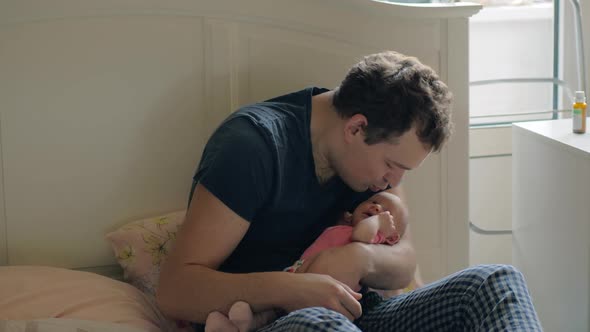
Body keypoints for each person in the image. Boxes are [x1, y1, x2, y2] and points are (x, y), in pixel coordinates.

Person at [157, 50, 542, 331]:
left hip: (364, 313)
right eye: (392, 165)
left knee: (495, 280)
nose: (394, 182)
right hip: (272, 322)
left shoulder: (372, 164)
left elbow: (405, 262)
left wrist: (360, 259)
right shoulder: (252, 147)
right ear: (356, 128)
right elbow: (175, 290)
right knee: (322, 326)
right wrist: (293, 289)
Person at [205, 191, 408, 332]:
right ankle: (239, 325)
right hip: (297, 273)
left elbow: (362, 237)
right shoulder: (344, 226)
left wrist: (377, 223)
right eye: (374, 202)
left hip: (327, 302)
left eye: (386, 212)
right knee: (270, 308)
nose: (376, 207)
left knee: (280, 311)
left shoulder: (374, 239)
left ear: (391, 238)